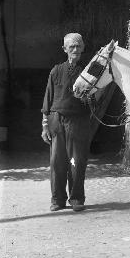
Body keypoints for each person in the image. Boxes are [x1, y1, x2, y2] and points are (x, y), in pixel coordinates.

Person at [41, 33, 92, 212]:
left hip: (78, 122)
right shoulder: (56, 71)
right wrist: (45, 125)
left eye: (78, 46)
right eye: (71, 47)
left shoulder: (88, 72)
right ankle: (57, 200)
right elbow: (47, 100)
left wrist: (90, 98)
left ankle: (77, 199)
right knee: (57, 162)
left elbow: (95, 98)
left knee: (76, 161)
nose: (75, 50)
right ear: (65, 49)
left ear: (83, 48)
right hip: (57, 121)